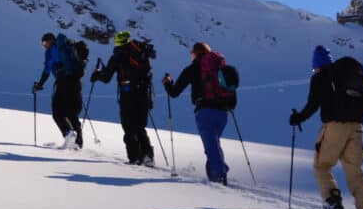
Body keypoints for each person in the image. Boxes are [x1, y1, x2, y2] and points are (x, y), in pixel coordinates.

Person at [289, 45, 363, 209]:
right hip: (357, 128)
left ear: (317, 65)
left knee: (322, 165)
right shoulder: (348, 76)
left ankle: (333, 201)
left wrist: (298, 118)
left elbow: (313, 105)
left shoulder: (321, 77)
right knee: (355, 169)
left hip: (334, 127)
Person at [161, 42, 233, 185]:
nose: (191, 55)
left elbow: (174, 92)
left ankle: (219, 178)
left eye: (192, 52)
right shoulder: (219, 67)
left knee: (211, 147)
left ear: (196, 53)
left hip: (205, 112)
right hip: (223, 112)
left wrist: (168, 83)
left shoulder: (193, 68)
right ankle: (219, 170)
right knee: (214, 144)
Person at [91, 30, 156, 166]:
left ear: (118, 41)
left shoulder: (118, 55)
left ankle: (134, 157)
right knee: (140, 127)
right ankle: (148, 156)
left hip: (128, 95)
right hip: (144, 94)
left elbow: (106, 77)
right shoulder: (141, 52)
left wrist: (97, 74)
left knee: (129, 126)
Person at [33, 32, 83, 149]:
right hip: (76, 81)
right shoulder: (67, 47)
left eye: (45, 43)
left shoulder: (51, 50)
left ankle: (68, 133)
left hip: (63, 82)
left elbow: (47, 69)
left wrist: (40, 84)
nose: (44, 46)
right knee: (72, 112)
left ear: (50, 40)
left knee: (57, 111)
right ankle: (78, 142)